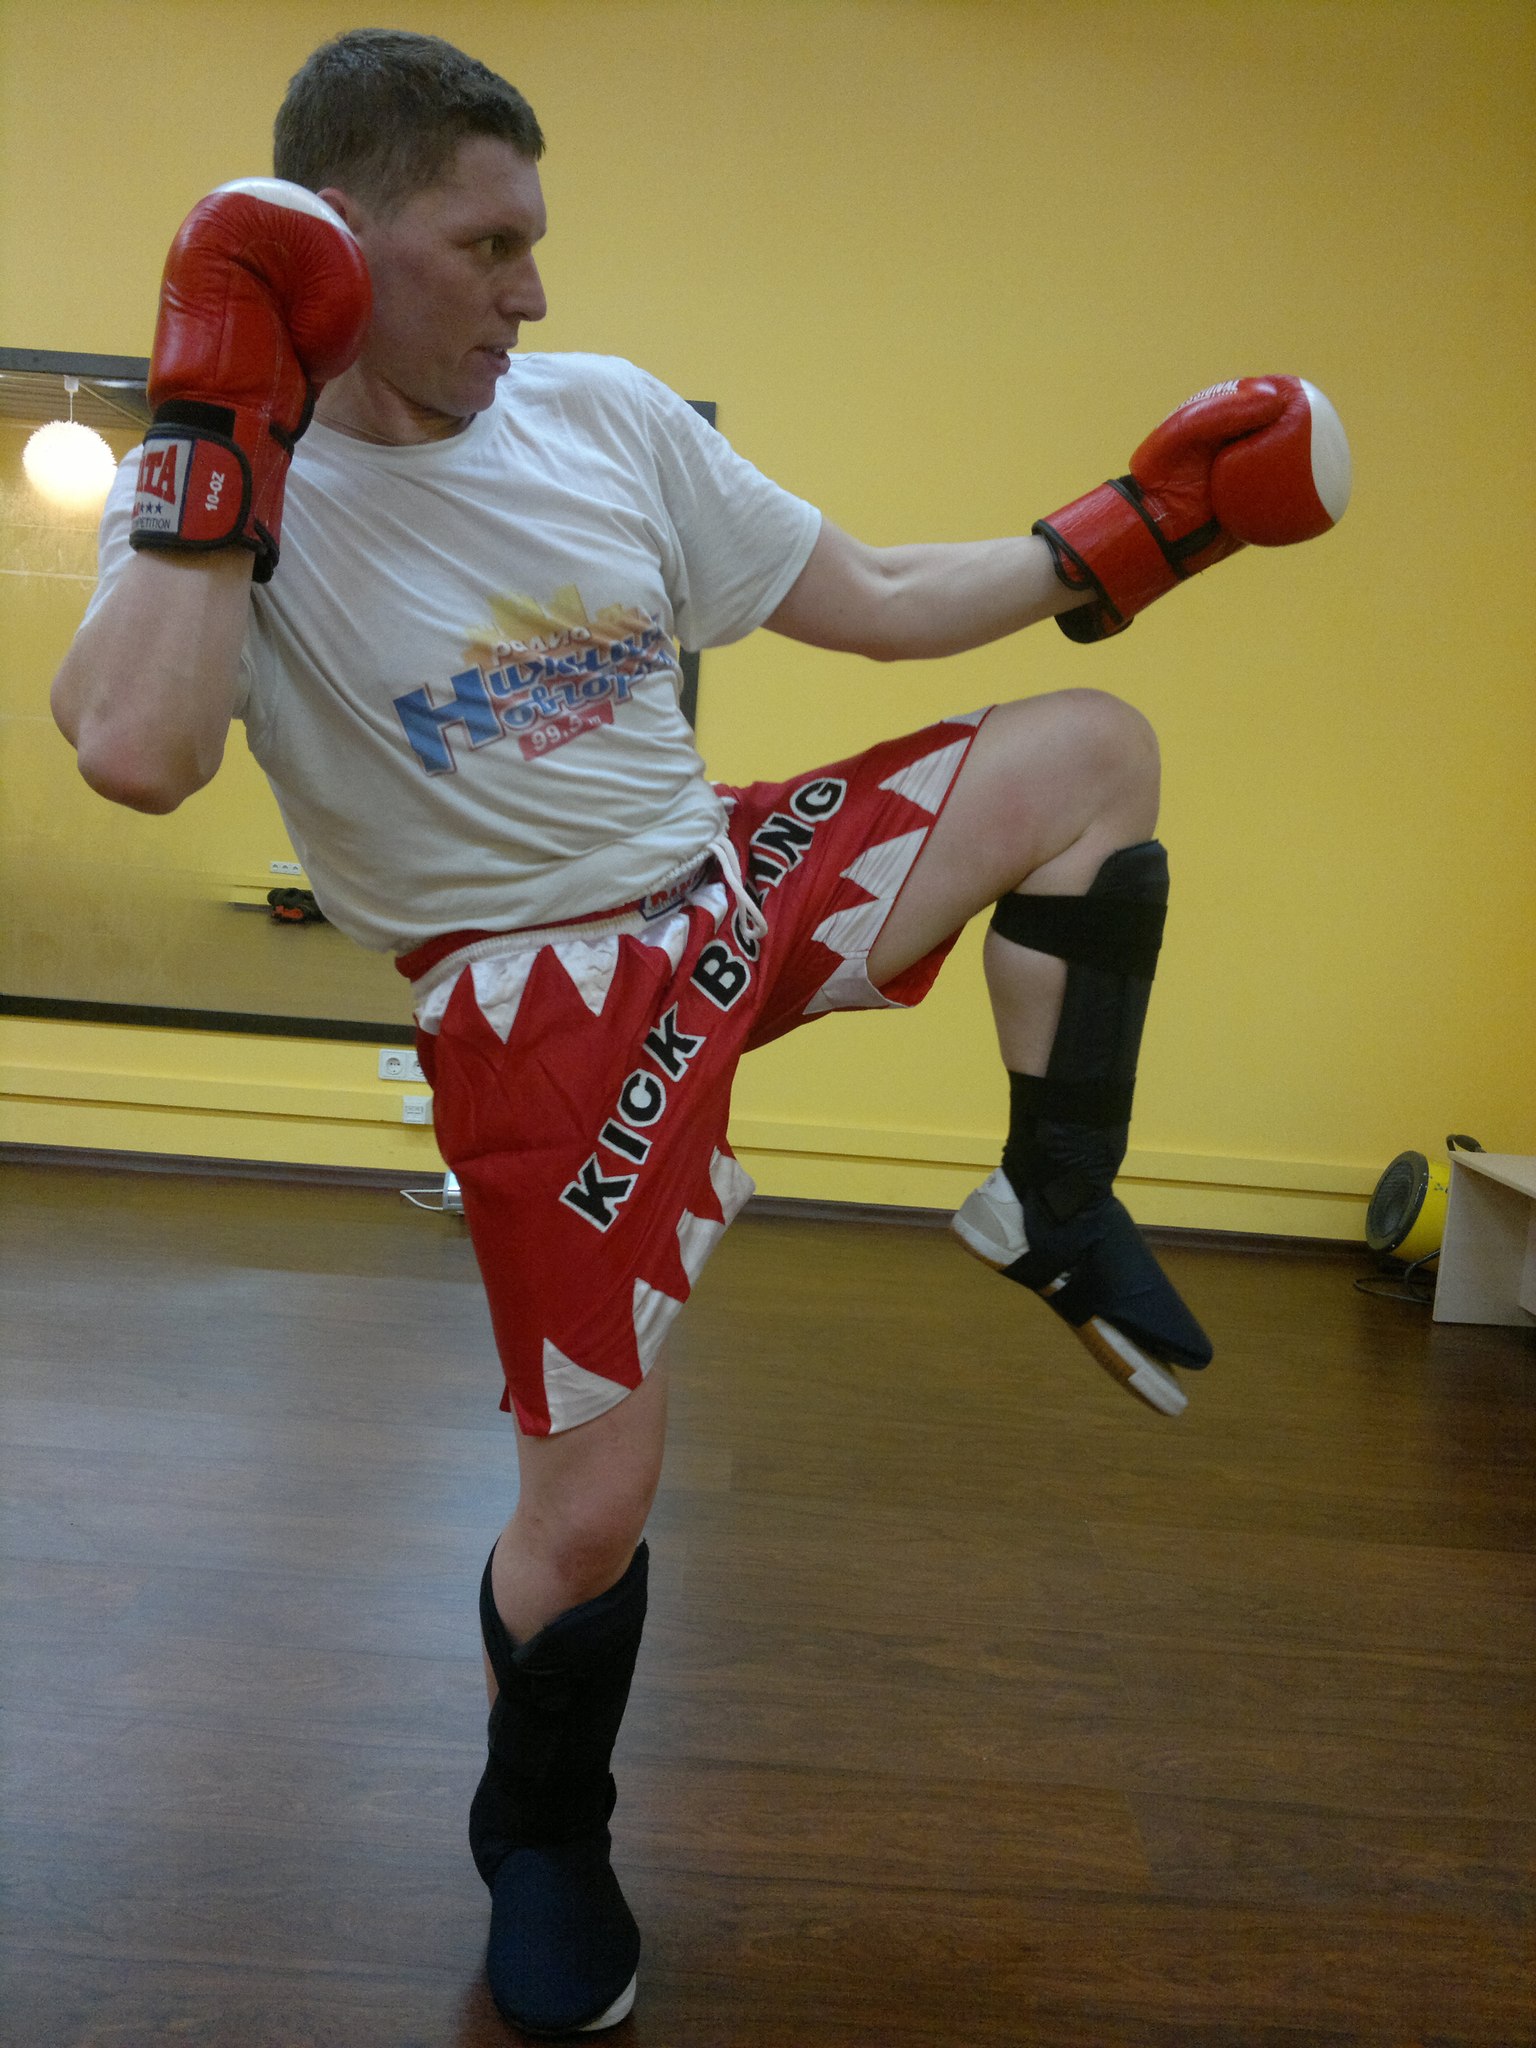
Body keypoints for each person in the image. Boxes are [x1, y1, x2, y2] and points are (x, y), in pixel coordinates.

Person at [50, 28, 1350, 2037]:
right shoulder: (239, 500)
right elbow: (136, 748)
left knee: (1094, 752)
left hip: (726, 882)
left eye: (535, 239)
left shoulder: (604, 413)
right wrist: (222, 412)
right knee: (591, 1507)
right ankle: (542, 1837)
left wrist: (1143, 528)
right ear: (341, 242)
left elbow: (882, 594)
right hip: (539, 1010)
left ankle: (1054, 1195)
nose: (533, 289)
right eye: (488, 246)